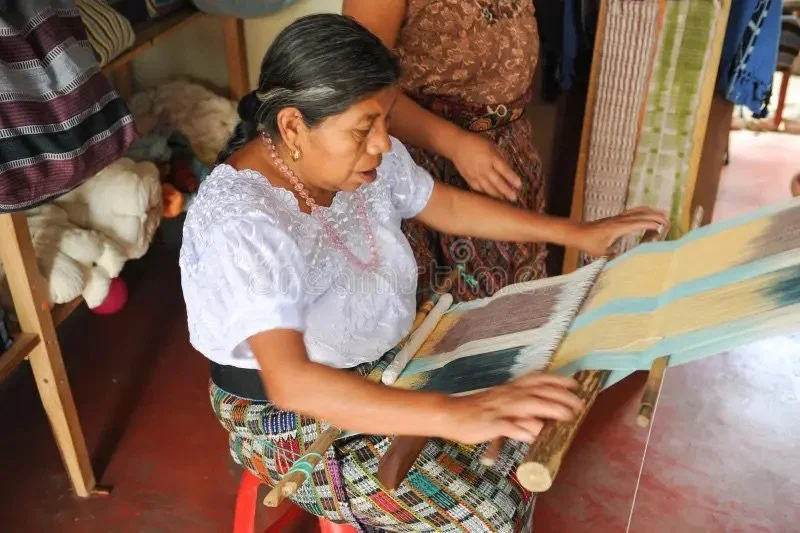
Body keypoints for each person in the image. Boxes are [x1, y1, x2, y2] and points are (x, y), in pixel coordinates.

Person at [180, 14, 667, 532]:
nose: (383, 143)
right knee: (487, 507)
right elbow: (292, 382)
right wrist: (455, 414)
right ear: (293, 126)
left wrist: (576, 234)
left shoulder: (357, 158)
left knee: (516, 446)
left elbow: (444, 205)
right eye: (364, 128)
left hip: (387, 357)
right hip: (285, 414)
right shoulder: (245, 223)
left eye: (385, 119)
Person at [343, 0, 552, 302]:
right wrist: (454, 143)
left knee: (517, 312)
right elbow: (361, 90)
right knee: (450, 319)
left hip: (508, 153)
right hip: (429, 164)